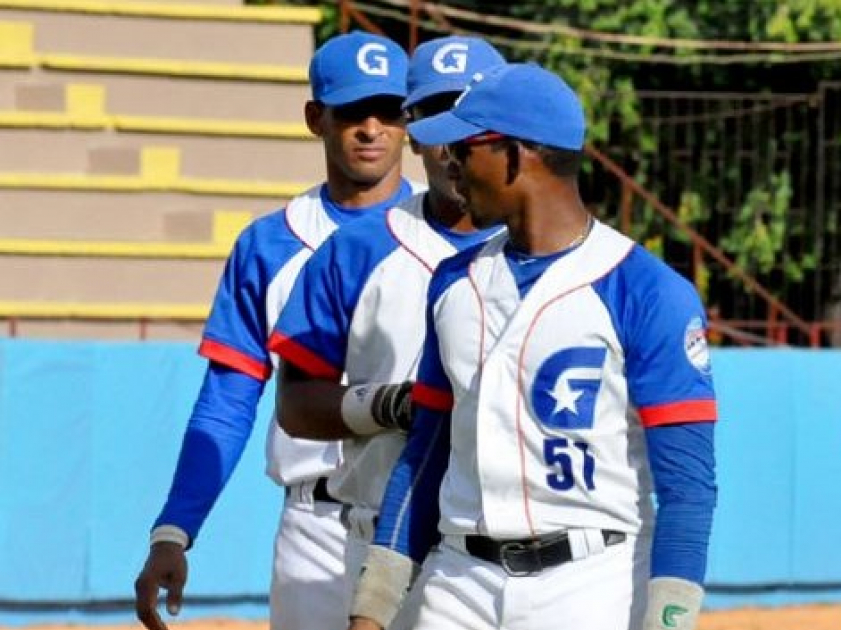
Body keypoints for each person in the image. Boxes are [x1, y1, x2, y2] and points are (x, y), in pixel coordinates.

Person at [347, 63, 719, 630]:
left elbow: (688, 487)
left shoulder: (645, 290)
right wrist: (373, 604)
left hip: (590, 582)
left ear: (515, 156)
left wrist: (669, 620)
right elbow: (425, 450)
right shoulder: (453, 281)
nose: (450, 163)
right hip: (459, 580)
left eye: (464, 147)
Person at [133, 32, 418, 630]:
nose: (372, 128)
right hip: (313, 525)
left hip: (419, 512)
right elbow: (228, 400)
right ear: (316, 118)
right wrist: (174, 529)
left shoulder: (447, 235)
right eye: (352, 112)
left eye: (388, 111)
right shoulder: (270, 243)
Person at [265, 34, 506, 615]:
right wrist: (392, 406)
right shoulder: (355, 250)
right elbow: (296, 405)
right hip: (380, 541)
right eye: (436, 115)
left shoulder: (553, 253)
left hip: (513, 556)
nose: (455, 142)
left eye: (473, 116)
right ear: (413, 130)